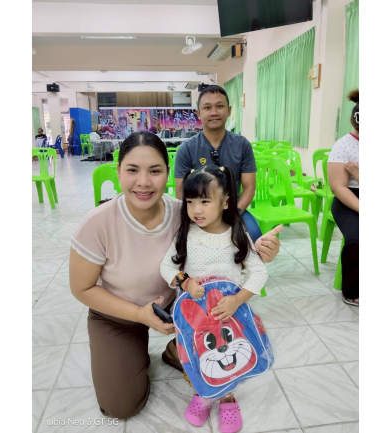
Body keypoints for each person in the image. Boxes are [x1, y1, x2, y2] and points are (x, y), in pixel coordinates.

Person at [68, 131, 285, 419]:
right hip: (118, 316)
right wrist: (139, 314)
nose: (143, 182)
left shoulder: (187, 212)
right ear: (118, 171)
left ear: (168, 173)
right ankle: (133, 349)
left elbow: (228, 240)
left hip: (181, 309)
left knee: (220, 359)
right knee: (120, 407)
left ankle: (175, 349)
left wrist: (259, 249)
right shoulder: (97, 223)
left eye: (154, 171)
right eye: (132, 170)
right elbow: (82, 288)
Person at [159, 165, 267, 433]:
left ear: (226, 201)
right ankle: (203, 394)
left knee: (229, 357)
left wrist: (237, 300)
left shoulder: (237, 234)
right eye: (190, 201)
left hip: (228, 316)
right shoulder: (186, 234)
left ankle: (228, 398)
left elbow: (259, 272)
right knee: (197, 357)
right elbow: (166, 266)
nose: (196, 209)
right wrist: (185, 281)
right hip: (195, 320)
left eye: (205, 201)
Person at [173, 85, 263, 242]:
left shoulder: (242, 145)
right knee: (180, 240)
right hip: (199, 212)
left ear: (229, 110)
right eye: (207, 107)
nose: (214, 112)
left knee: (254, 236)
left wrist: (235, 212)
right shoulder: (186, 149)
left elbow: (249, 188)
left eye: (219, 106)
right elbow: (181, 192)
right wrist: (199, 214)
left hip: (233, 209)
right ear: (199, 113)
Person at [328, 90, 360, 306]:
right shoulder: (344, 145)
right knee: (358, 238)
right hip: (349, 199)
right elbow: (338, 187)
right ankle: (352, 290)